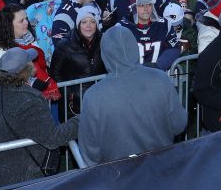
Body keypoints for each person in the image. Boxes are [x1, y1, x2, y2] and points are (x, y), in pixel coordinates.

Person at [78, 24, 187, 164]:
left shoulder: (93, 96)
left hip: (119, 176)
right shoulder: (160, 79)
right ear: (134, 47)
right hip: (163, 168)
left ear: (104, 53)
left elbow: (90, 152)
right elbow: (179, 124)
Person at [0, 48, 81, 190]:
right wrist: (78, 122)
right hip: (21, 178)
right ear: (26, 69)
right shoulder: (29, 100)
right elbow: (53, 138)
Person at [122, 0, 182, 71]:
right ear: (134, 7)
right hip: (130, 79)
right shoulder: (121, 28)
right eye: (142, 5)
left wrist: (158, 66)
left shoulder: (164, 25)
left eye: (149, 4)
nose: (146, 9)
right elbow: (114, 54)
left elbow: (174, 48)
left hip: (158, 77)